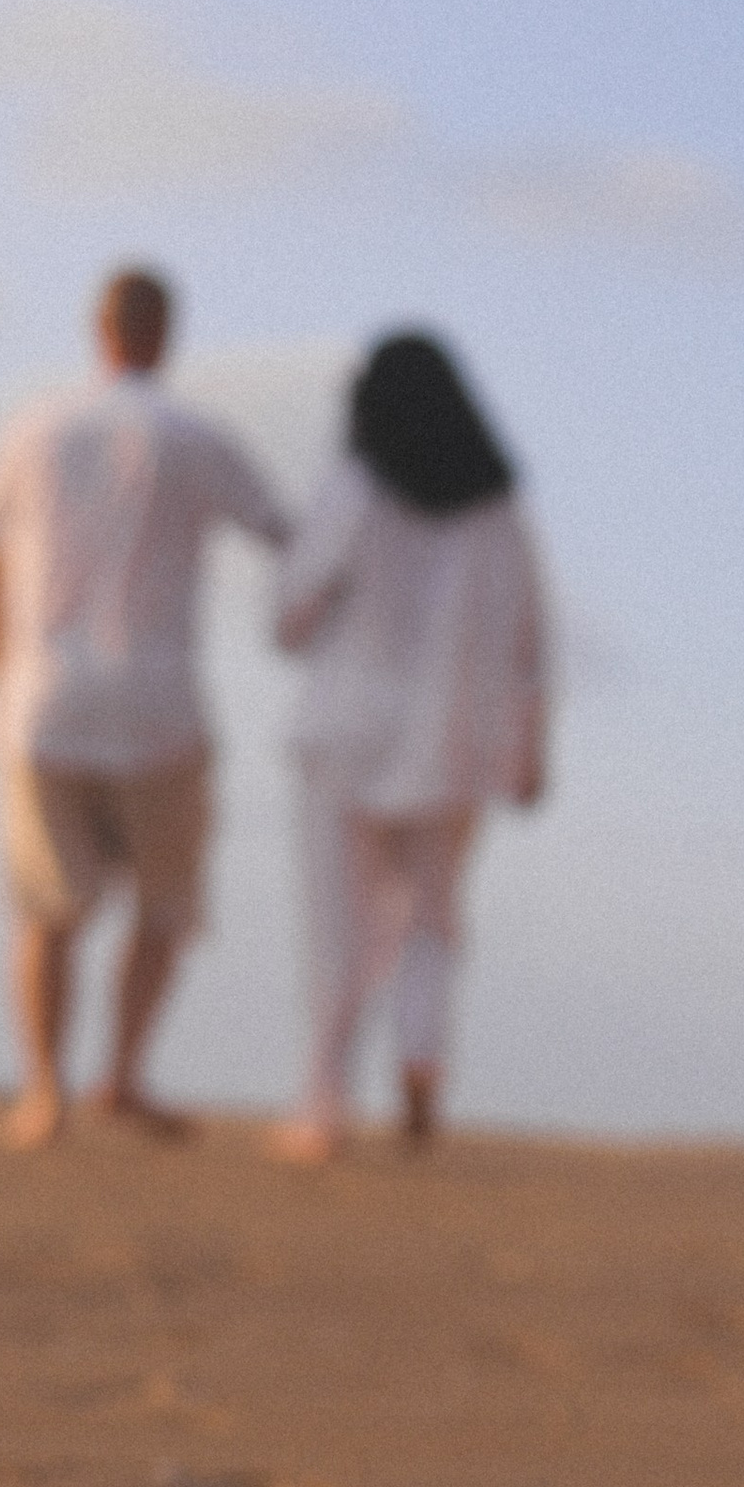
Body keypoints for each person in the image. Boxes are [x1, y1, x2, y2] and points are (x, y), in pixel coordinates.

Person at [0, 268, 290, 1148]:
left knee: (46, 908)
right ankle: (122, 1073)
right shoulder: (193, 437)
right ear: (165, 334)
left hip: (45, 700)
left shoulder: (32, 428)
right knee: (164, 905)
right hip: (158, 705)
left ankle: (44, 1092)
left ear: (98, 330)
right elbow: (282, 532)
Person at [268, 331, 549, 1161]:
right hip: (456, 737)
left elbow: (291, 614)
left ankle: (324, 1099)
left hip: (349, 729)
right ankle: (422, 1061)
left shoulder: (353, 490)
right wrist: (532, 746)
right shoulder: (499, 507)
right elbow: (529, 639)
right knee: (432, 916)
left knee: (338, 921)